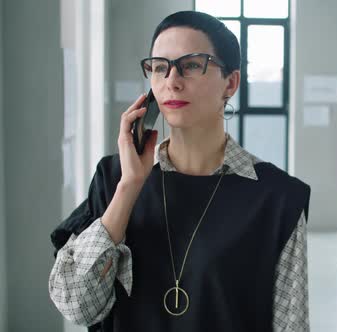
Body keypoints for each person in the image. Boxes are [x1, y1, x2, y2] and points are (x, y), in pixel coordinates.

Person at [48, 11, 310, 332]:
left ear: (230, 82)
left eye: (191, 65)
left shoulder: (278, 199)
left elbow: (291, 325)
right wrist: (130, 184)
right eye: (160, 67)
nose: (172, 80)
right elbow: (76, 306)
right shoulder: (113, 178)